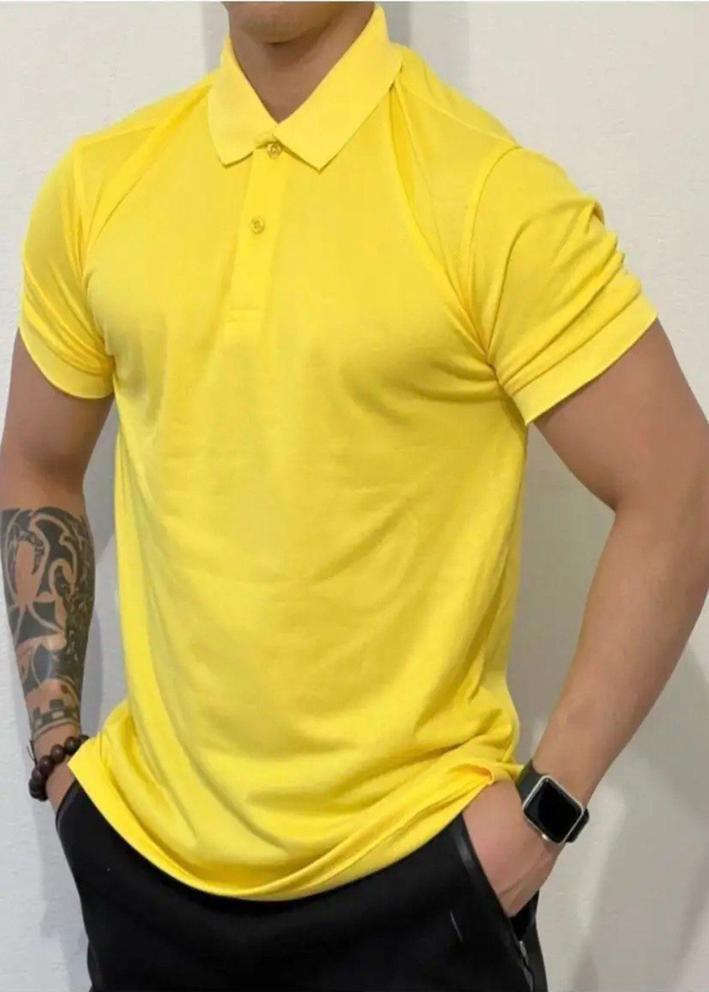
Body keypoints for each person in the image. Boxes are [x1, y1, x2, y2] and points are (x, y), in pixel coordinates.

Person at [2, 2, 708, 990]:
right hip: (147, 890)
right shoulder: (101, 187)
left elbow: (680, 485)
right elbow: (36, 461)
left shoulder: (486, 195)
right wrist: (57, 752)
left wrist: (542, 812)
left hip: (416, 897)